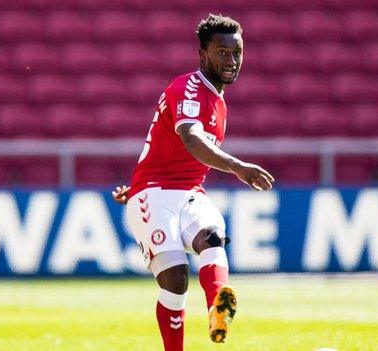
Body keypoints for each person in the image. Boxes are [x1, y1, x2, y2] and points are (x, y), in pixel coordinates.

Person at [112, 14, 274, 351]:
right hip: (154, 194)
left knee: (213, 238)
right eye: (222, 53)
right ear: (203, 55)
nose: (231, 61)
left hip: (187, 193)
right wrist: (236, 166)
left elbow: (164, 145)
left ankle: (218, 308)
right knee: (175, 279)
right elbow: (190, 138)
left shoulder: (217, 98)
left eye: (237, 53)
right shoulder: (188, 86)